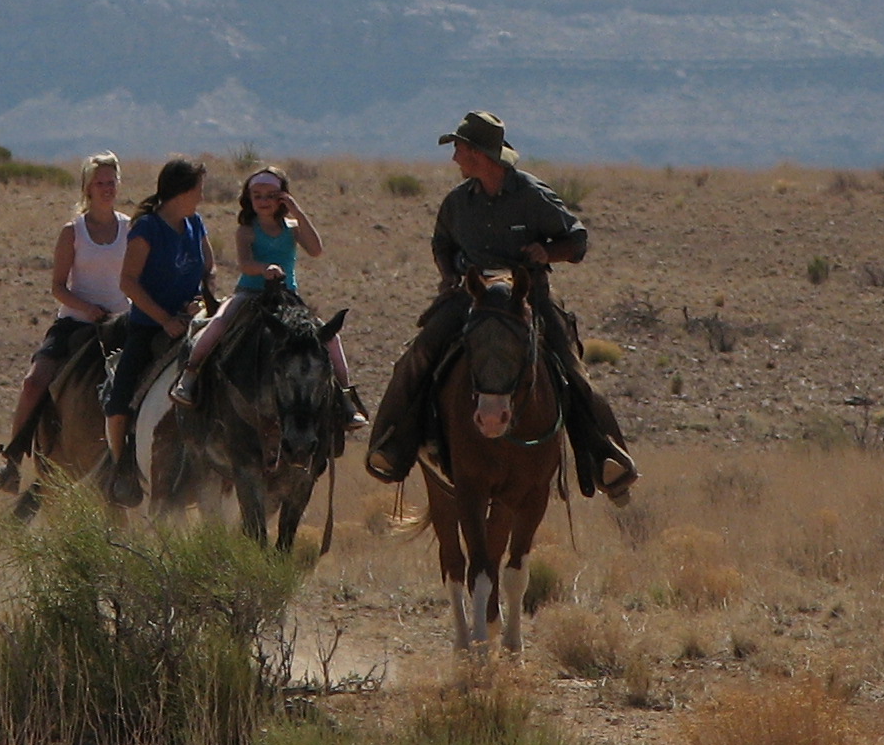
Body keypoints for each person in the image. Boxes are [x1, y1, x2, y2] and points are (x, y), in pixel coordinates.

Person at [361, 110, 637, 501]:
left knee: (571, 368)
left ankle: (606, 457)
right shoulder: (458, 202)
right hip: (471, 295)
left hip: (529, 295)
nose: (454, 157)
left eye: (458, 148)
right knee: (417, 357)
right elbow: (443, 243)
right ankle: (392, 445)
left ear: (478, 153)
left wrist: (548, 251)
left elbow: (577, 242)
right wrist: (449, 277)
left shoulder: (532, 195)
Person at [0, 153, 130, 492]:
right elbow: (58, 286)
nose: (107, 188)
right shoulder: (72, 231)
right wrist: (87, 308)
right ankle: (12, 460)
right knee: (35, 382)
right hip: (76, 323)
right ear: (88, 188)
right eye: (100, 183)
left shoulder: (129, 227)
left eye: (111, 182)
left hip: (121, 324)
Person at [170, 165, 364, 423]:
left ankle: (344, 396)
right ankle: (190, 375)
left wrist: (297, 212)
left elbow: (315, 249)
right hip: (250, 292)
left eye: (271, 195)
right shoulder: (247, 230)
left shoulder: (292, 227)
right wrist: (265, 269)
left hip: (287, 296)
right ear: (248, 199)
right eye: (257, 195)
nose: (263, 201)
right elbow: (245, 264)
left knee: (328, 337)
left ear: (283, 197)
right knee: (217, 323)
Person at [96, 157, 215, 507]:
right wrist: (164, 319)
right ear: (181, 192)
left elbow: (209, 269)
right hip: (149, 329)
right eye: (198, 190)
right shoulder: (147, 228)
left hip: (194, 324)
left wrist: (201, 298)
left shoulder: (196, 223)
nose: (202, 197)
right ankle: (121, 468)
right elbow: (128, 282)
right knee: (118, 404)